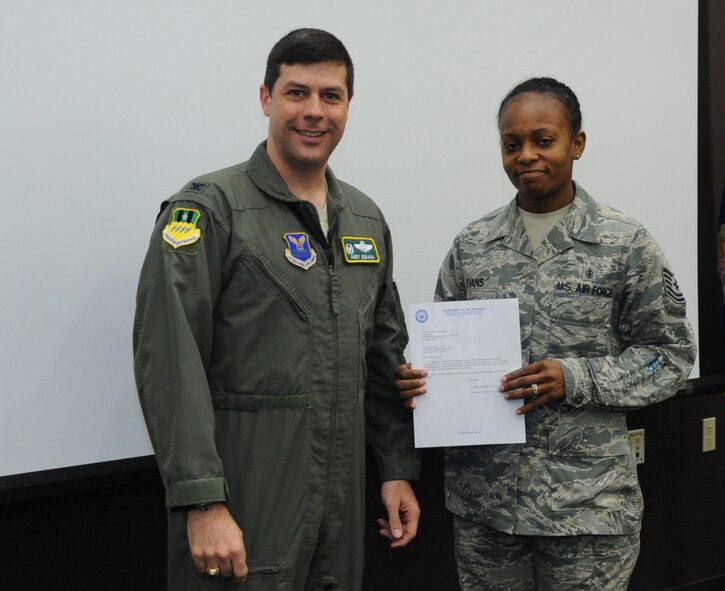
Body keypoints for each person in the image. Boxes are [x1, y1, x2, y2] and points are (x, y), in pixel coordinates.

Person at [134, 28, 420, 590]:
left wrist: (396, 471)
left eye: (330, 96)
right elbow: (170, 362)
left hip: (339, 520)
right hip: (243, 508)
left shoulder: (364, 220)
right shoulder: (210, 211)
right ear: (266, 98)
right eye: (296, 93)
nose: (314, 112)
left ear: (347, 106)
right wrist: (202, 502)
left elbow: (384, 358)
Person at [395, 77, 696, 590]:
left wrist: (574, 378)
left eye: (543, 140)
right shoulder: (473, 245)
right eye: (512, 145)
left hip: (586, 509)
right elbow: (440, 353)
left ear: (577, 144)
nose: (526, 155)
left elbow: (669, 357)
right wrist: (419, 380)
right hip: (486, 507)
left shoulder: (626, 244)